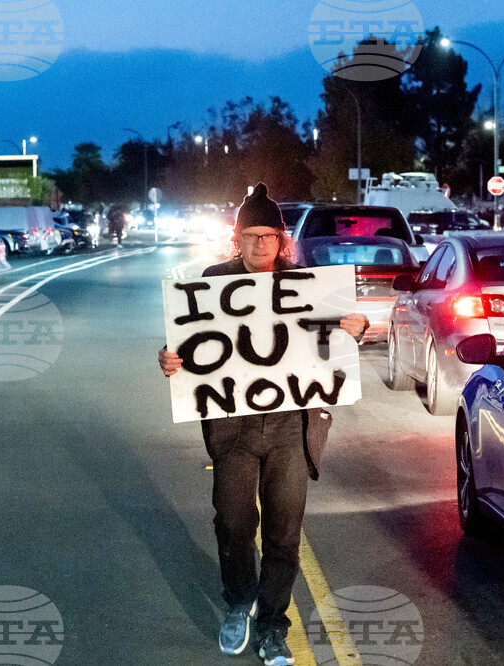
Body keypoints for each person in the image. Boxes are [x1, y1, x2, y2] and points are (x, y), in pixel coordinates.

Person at [158, 183, 367, 666]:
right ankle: (238, 604)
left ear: (280, 238)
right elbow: (185, 350)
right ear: (238, 238)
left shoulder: (306, 285)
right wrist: (168, 359)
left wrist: (353, 329)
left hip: (292, 430)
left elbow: (337, 339)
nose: (259, 244)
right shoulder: (212, 283)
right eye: (249, 235)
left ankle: (273, 625)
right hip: (233, 430)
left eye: (267, 235)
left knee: (283, 533)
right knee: (233, 524)